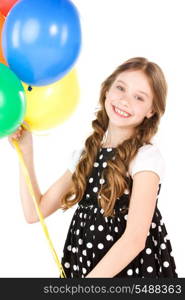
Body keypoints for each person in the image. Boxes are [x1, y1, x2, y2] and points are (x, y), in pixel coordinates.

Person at [8, 57, 178, 278]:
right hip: (84, 267)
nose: (125, 101)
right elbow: (34, 212)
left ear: (151, 110)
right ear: (106, 90)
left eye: (139, 97)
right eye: (120, 88)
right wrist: (26, 152)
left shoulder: (145, 158)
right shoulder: (86, 155)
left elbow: (135, 239)